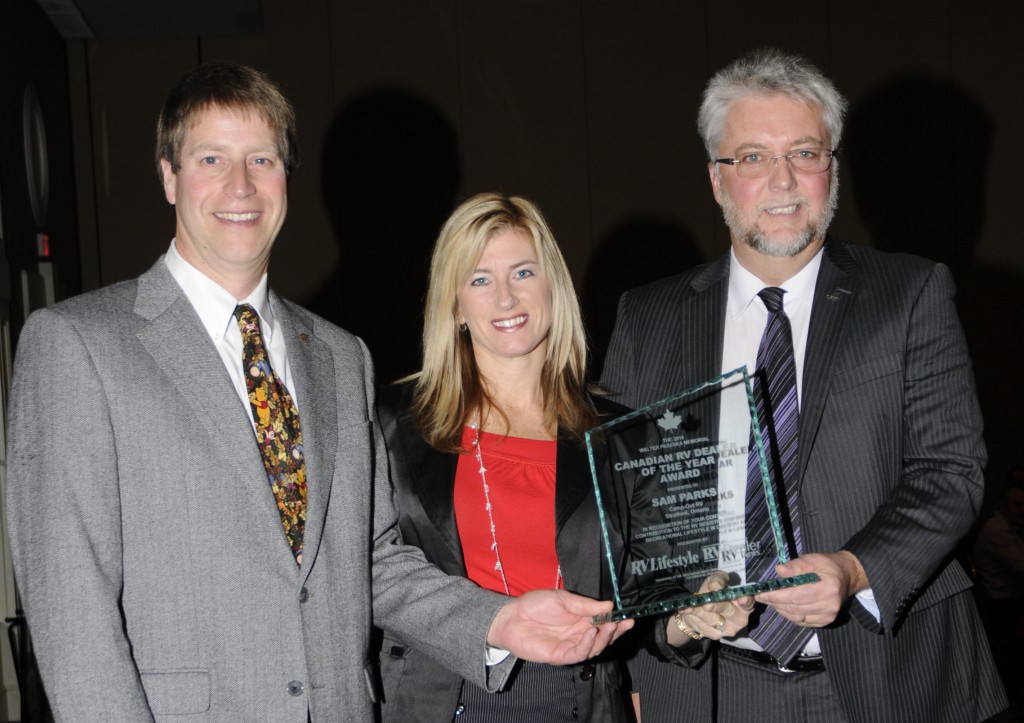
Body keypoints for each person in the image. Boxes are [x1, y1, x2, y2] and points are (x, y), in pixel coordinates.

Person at [3, 62, 631, 722]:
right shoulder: (78, 344)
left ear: (287, 179)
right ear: (168, 175)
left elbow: (372, 561)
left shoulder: (339, 356)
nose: (240, 184)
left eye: (262, 158)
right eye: (211, 157)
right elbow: (73, 613)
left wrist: (500, 619)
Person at [601, 48, 1007, 722]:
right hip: (714, 685)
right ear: (716, 179)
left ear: (833, 170)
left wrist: (854, 568)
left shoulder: (909, 293)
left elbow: (952, 469)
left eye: (806, 153)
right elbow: (627, 508)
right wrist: (663, 632)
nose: (784, 181)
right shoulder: (648, 317)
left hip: (890, 675)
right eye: (753, 157)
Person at [374, 192, 751, 721]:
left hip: (579, 702)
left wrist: (695, 614)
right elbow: (370, 570)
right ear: (455, 305)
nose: (505, 298)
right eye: (480, 279)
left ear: (552, 286)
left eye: (523, 272)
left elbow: (649, 602)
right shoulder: (392, 423)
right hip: (436, 702)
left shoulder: (627, 433)